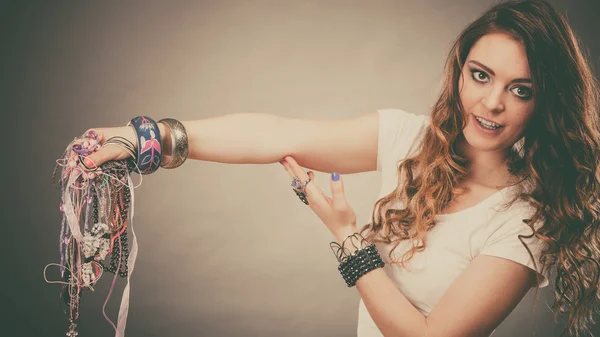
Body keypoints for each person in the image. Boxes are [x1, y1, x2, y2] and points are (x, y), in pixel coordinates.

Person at [75, 0, 600, 336]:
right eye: (480, 76)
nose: (491, 103)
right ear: (460, 73)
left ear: (543, 103)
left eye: (520, 89)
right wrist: (149, 137)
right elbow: (278, 134)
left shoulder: (526, 220)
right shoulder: (407, 138)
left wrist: (348, 237)